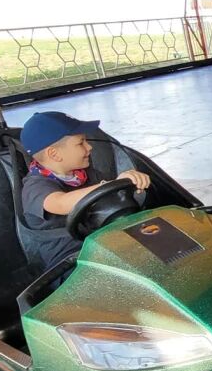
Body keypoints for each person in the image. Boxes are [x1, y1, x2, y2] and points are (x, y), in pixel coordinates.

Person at [19, 112, 151, 270]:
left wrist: (130, 183)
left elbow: (113, 196)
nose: (89, 147)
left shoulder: (85, 174)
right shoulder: (35, 186)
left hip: (102, 243)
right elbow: (60, 203)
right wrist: (110, 184)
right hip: (71, 263)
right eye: (81, 143)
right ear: (54, 154)